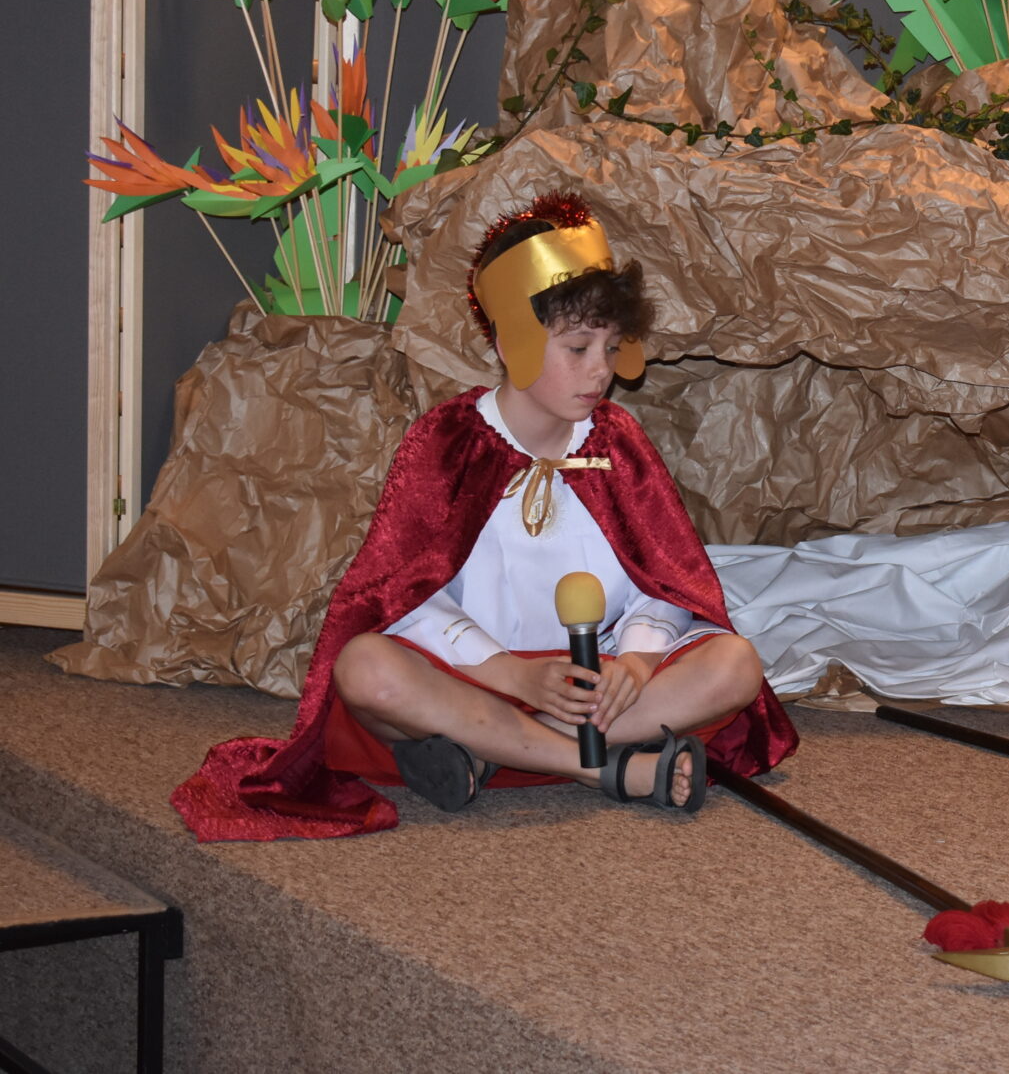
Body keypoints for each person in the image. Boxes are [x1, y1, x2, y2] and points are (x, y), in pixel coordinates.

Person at [174, 192, 798, 842]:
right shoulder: (447, 440)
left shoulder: (617, 442)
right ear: (509, 340)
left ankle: (493, 751)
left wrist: (636, 664)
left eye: (611, 347)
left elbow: (663, 579)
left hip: (598, 683)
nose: (600, 371)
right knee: (365, 668)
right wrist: (511, 673)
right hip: (473, 678)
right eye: (577, 346)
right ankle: (603, 769)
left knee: (735, 664)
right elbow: (404, 594)